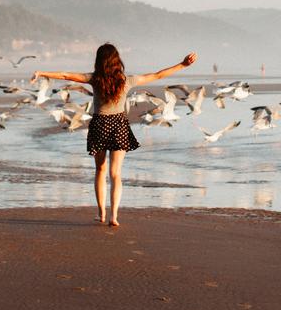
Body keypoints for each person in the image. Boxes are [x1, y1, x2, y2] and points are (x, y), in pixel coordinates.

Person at [33, 44, 196, 227]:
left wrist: (41, 72)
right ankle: (114, 217)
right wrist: (182, 65)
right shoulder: (126, 80)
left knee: (100, 170)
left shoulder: (94, 79)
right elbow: (157, 75)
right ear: (117, 61)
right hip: (119, 125)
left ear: (99, 61)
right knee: (115, 173)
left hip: (100, 125)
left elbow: (65, 75)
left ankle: (102, 213)